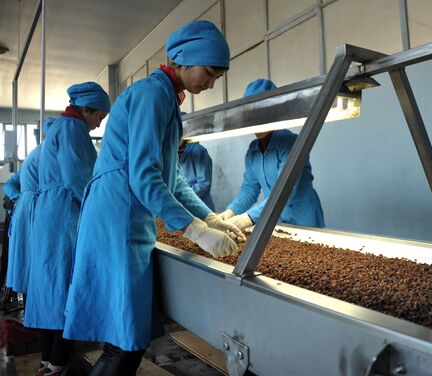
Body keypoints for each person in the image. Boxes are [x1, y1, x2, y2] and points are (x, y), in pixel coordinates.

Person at [63, 20, 242, 376]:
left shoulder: (167, 101)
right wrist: (195, 232)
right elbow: (144, 176)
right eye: (208, 73)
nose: (210, 83)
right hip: (119, 216)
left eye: (216, 77)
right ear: (185, 62)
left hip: (125, 214)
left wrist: (210, 218)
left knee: (127, 338)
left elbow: (172, 178)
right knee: (125, 342)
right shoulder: (152, 94)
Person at [24, 83, 109, 376]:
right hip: (64, 216)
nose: (100, 122)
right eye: (99, 115)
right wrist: (103, 209)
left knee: (51, 290)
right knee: (66, 291)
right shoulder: (73, 129)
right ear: (86, 110)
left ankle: (47, 363)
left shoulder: (60, 128)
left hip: (50, 215)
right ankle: (58, 365)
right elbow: (79, 178)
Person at [220, 79, 325, 230]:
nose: (256, 122)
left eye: (262, 115)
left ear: (275, 113)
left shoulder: (290, 143)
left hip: (304, 218)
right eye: (251, 116)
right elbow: (249, 190)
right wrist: (230, 212)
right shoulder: (253, 151)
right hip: (275, 217)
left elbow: (285, 190)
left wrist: (248, 218)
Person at [5, 118, 55, 294]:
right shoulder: (49, 155)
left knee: (27, 262)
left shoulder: (33, 154)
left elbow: (9, 184)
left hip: (25, 209)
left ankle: (30, 315)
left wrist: (19, 197)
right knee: (37, 263)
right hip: (35, 210)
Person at [178, 137, 215, 211]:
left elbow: (204, 185)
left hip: (201, 207)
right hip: (184, 209)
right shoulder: (173, 153)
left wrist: (181, 195)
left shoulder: (198, 151)